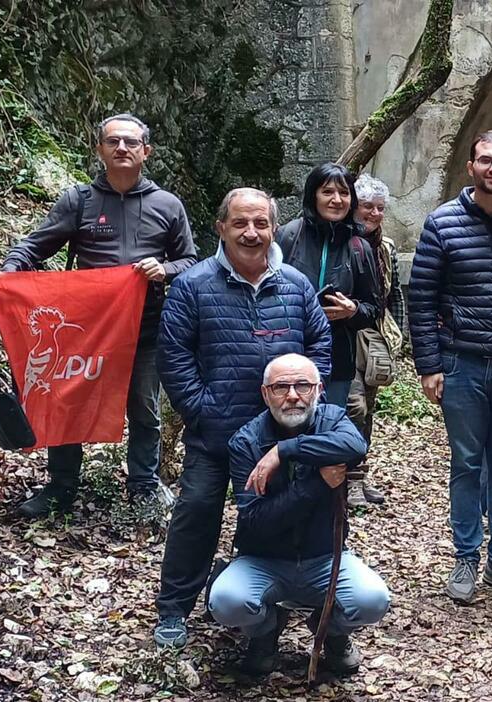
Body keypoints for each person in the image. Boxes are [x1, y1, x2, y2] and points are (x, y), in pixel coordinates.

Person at [0, 113, 198, 519]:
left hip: (145, 331)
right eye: (113, 142)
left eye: (131, 143)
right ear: (99, 149)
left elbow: (190, 261)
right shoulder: (78, 201)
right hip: (86, 332)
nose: (122, 149)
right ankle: (61, 486)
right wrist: (4, 278)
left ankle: (143, 488)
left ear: (145, 151)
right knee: (68, 402)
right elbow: (35, 246)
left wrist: (164, 270)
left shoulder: (167, 205)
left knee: (143, 410)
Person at [153, 187, 332, 648]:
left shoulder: (295, 283)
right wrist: (202, 409)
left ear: (274, 226)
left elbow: (320, 350)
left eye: (261, 223)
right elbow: (174, 356)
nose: (251, 233)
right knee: (196, 513)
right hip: (216, 433)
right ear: (221, 228)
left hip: (282, 436)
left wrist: (301, 412)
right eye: (240, 224)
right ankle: (174, 610)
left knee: (287, 516)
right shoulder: (193, 285)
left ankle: (286, 612)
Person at [408, 130, 492, 603]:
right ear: (471, 167)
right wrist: (428, 364)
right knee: (466, 463)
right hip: (461, 362)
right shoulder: (441, 223)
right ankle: (466, 556)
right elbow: (420, 297)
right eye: (485, 160)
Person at [208, 354, 389, 676]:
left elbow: (354, 446)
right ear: (265, 394)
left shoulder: (333, 420)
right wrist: (317, 482)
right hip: (263, 559)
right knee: (227, 602)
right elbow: (254, 522)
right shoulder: (246, 442)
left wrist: (283, 451)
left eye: (302, 385)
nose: (293, 395)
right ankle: (265, 632)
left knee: (372, 600)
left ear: (319, 389)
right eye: (281, 387)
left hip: (325, 556)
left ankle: (332, 631)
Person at [275, 164, 380, 409]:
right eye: (327, 192)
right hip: (288, 354)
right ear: (314, 195)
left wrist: (352, 310)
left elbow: (373, 309)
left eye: (344, 193)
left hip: (337, 360)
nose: (336, 200)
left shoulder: (358, 247)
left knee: (326, 435)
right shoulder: (290, 235)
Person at [342, 173, 402, 509]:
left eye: (380, 208)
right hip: (345, 336)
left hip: (375, 337)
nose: (374, 213)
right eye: (368, 207)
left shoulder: (386, 247)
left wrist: (396, 338)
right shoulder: (343, 241)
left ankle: (360, 476)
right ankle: (349, 480)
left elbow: (394, 299)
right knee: (354, 407)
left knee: (368, 408)